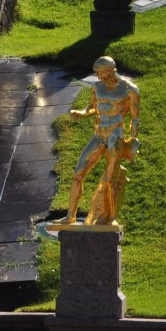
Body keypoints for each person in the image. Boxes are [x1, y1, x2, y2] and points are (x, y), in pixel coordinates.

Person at [64, 56, 139, 226]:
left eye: (101, 73)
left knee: (110, 179)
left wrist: (133, 141)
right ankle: (70, 216)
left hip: (116, 136)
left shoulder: (130, 90)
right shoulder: (97, 87)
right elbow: (92, 107)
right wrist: (82, 113)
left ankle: (112, 218)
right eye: (97, 74)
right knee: (78, 174)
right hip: (98, 135)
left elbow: (134, 119)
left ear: (111, 71)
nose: (98, 77)